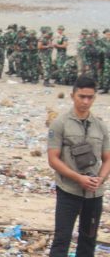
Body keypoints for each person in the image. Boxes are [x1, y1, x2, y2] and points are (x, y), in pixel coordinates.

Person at [47, 75, 110, 256]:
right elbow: (53, 159)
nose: (85, 101)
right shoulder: (60, 124)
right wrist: (78, 178)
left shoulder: (100, 126)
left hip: (94, 193)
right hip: (69, 190)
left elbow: (107, 158)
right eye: (81, 96)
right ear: (72, 95)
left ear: (95, 98)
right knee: (62, 238)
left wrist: (100, 179)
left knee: (88, 240)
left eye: (89, 97)